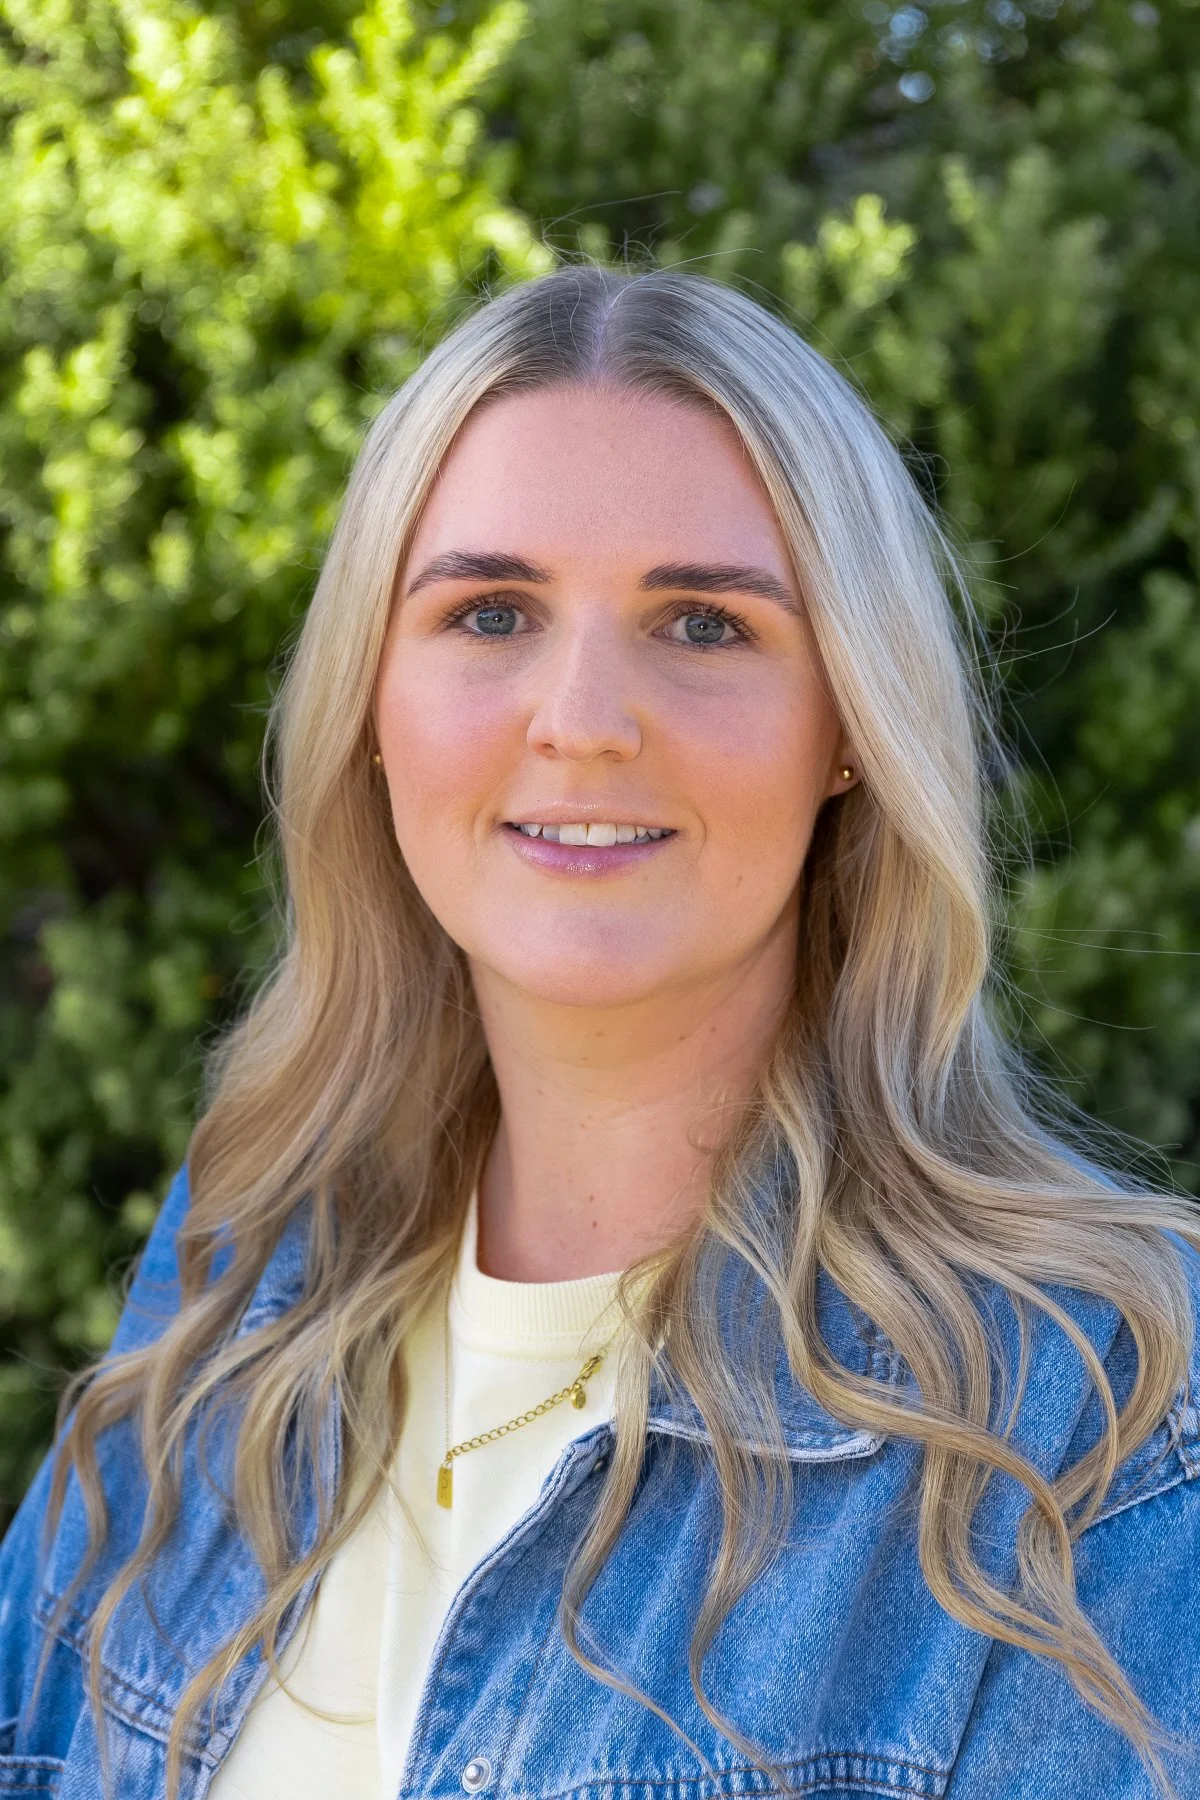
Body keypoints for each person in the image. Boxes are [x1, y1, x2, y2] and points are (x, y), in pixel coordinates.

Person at [1, 266, 1198, 1800]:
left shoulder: (1091, 1419)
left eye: (702, 623)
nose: (581, 716)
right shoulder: (230, 1289)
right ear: (372, 701)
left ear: (849, 728)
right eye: (488, 613)